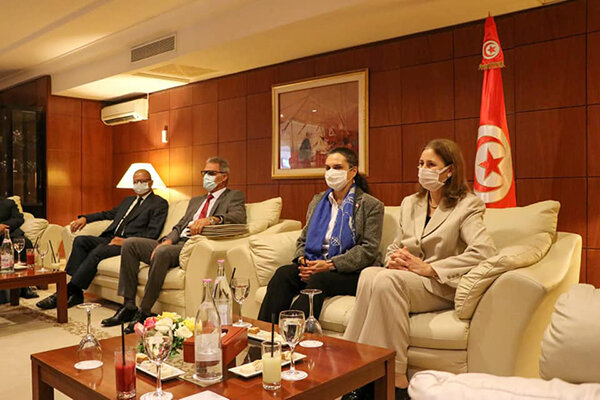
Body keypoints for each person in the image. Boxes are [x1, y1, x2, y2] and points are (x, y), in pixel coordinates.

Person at [342, 139, 497, 400]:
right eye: (421, 163)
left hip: (440, 284)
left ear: (450, 170)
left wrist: (430, 268)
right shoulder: (410, 203)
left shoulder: (467, 205)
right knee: (370, 274)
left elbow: (484, 252)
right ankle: (353, 363)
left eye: (431, 164)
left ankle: (394, 376)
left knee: (387, 282)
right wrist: (394, 259)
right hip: (408, 278)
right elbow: (395, 245)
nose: (423, 169)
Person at [102, 157, 247, 333]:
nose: (205, 177)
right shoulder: (196, 200)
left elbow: (238, 217)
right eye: (204, 172)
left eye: (211, 173)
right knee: (131, 244)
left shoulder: (233, 196)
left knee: (162, 253)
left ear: (224, 177)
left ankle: (144, 312)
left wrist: (211, 219)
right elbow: (179, 226)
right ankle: (129, 305)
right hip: (176, 242)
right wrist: (168, 240)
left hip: (192, 245)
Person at [258, 147, 384, 323]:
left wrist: (330, 265)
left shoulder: (370, 205)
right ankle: (264, 332)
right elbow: (303, 238)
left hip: (350, 272)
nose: (331, 172)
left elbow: (368, 249)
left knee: (319, 279)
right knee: (283, 274)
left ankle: (293, 331)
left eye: (337, 167)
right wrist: (303, 260)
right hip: (315, 264)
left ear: (353, 171)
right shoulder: (318, 201)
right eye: (328, 168)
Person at [36, 169, 168, 310]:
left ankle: (66, 291)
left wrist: (125, 241)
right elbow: (108, 214)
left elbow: (152, 233)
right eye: (135, 182)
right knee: (80, 241)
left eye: (142, 181)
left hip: (129, 244)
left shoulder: (158, 203)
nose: (138, 184)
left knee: (98, 251)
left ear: (150, 182)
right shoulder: (128, 201)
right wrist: (85, 218)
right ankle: (76, 292)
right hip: (110, 237)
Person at [0, 197, 38, 300]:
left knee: (25, 242)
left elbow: (19, 218)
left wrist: (3, 226)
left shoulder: (9, 203)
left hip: (9, 234)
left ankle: (25, 286)